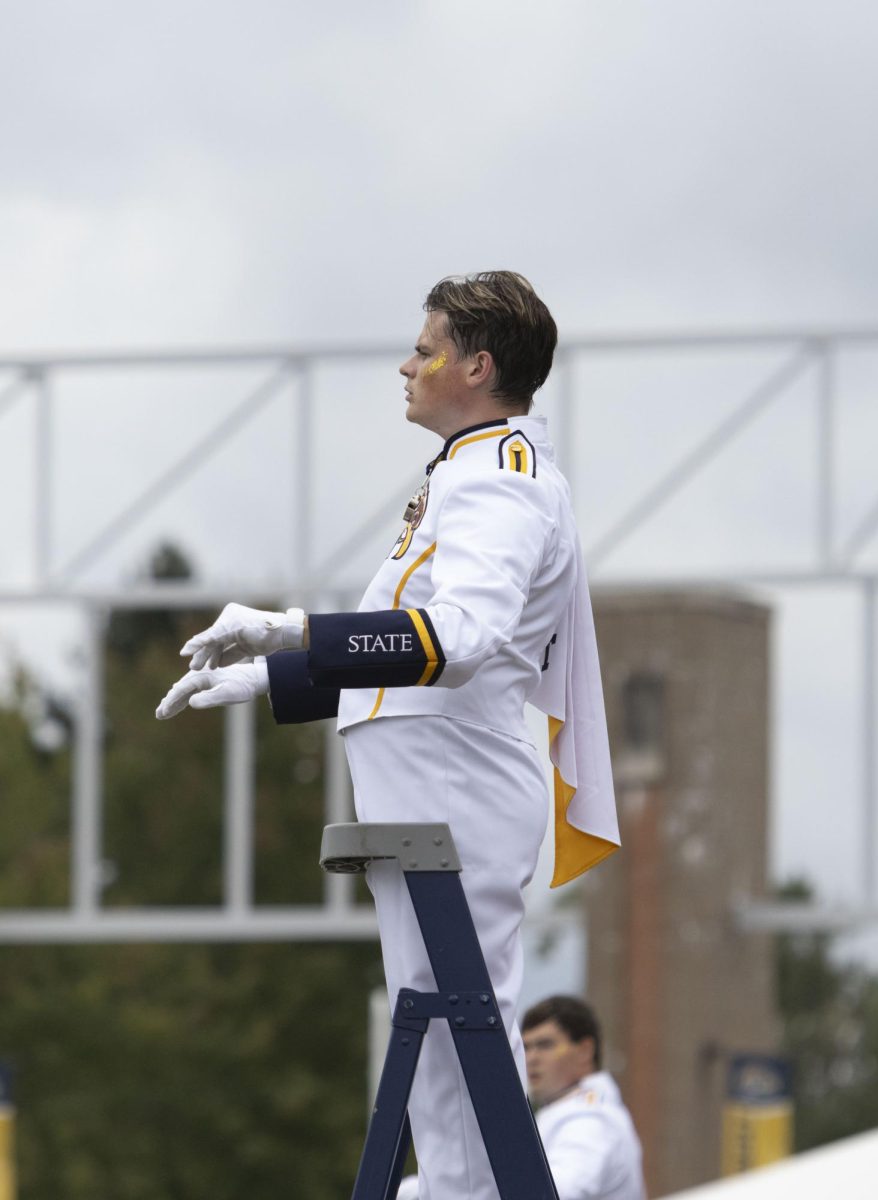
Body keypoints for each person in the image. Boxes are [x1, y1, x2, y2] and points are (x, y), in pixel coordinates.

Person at [156, 271, 620, 1200]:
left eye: (426, 347)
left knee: (460, 1016)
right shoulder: (473, 468)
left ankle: (458, 1191)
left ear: (477, 365)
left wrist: (294, 628)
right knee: (446, 1015)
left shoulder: (499, 481)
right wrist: (269, 673)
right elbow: (405, 650)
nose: (406, 365)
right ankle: (453, 1186)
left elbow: (460, 640)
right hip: (433, 776)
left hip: (455, 780)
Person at [523, 995, 646, 1200]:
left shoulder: (589, 1118)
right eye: (526, 1047)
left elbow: (555, 1192)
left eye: (545, 1045)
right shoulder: (576, 1111)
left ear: (584, 1050)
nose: (531, 1058)